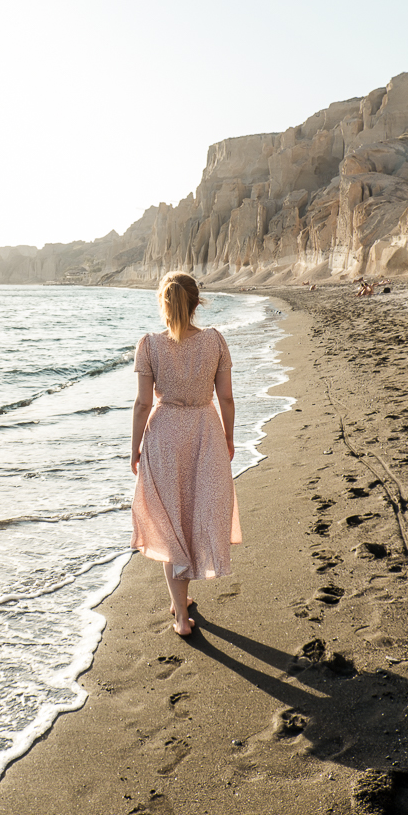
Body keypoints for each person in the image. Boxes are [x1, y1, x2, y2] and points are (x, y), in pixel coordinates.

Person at [130, 272, 242, 636]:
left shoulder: (148, 345)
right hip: (205, 432)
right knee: (195, 512)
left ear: (163, 303)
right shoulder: (215, 341)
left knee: (171, 521)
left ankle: (181, 616)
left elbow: (143, 402)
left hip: (164, 437)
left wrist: (134, 449)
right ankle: (183, 601)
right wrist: (228, 437)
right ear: (196, 304)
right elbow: (225, 397)